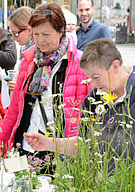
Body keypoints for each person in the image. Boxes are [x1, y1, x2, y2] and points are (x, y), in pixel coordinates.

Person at [0, 2, 90, 174]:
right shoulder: (29, 61)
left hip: (60, 152)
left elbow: (89, 115)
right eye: (36, 34)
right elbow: (14, 110)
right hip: (26, 147)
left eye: (46, 34)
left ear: (61, 32)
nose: (40, 40)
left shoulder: (79, 64)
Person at [24, 38, 135, 172]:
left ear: (115, 66)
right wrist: (49, 143)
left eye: (96, 77)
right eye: (89, 78)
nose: (92, 85)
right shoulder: (94, 99)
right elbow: (85, 145)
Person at [7, 6, 34, 94]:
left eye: (15, 33)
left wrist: (21, 87)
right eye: (11, 33)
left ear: (28, 29)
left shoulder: (40, 53)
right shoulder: (25, 49)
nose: (13, 37)